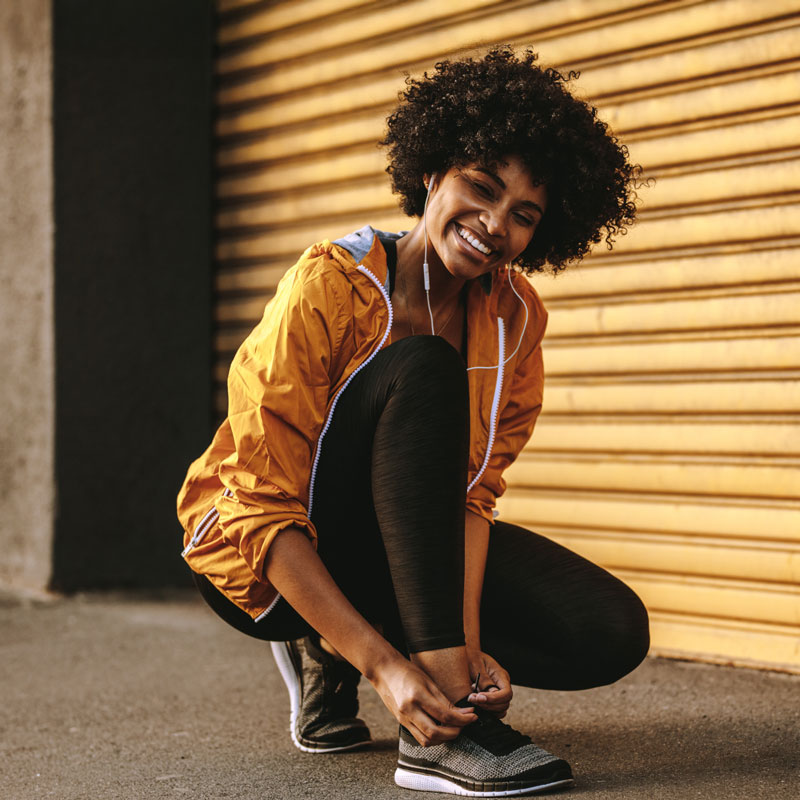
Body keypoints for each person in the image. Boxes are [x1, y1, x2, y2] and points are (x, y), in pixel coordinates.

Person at [177, 47, 649, 797]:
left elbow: (469, 499)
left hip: (396, 548)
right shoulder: (329, 284)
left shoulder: (514, 319)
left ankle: (424, 678)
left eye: (524, 215)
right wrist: (386, 667)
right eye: (481, 188)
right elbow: (256, 503)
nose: (495, 225)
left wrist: (456, 652)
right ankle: (384, 701)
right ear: (432, 172)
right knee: (424, 365)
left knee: (608, 630)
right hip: (259, 553)